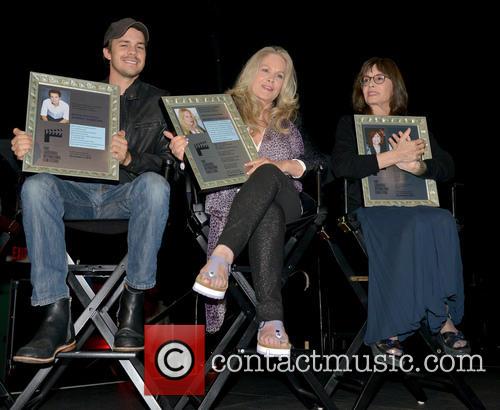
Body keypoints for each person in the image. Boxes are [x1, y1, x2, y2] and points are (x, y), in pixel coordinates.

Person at [10, 18, 173, 363]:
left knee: (156, 187)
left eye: (140, 46)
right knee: (37, 186)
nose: (133, 51)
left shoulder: (161, 103)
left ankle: (133, 301)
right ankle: (56, 317)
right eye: (124, 44)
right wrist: (29, 150)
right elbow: (49, 153)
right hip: (78, 196)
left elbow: (167, 165)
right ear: (106, 52)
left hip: (128, 198)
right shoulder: (75, 97)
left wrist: (130, 157)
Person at [167, 46, 316, 357]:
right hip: (243, 211)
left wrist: (283, 166)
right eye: (265, 71)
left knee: (266, 172)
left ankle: (220, 258)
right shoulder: (219, 112)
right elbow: (199, 165)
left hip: (289, 202)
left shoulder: (289, 121)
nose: (271, 80)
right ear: (251, 72)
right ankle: (272, 319)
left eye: (280, 75)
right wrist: (183, 155)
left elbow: (318, 161)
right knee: (267, 214)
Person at [331, 57, 469, 363]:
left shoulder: (415, 126)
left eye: (379, 79)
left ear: (396, 85)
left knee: (442, 219)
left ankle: (443, 316)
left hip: (414, 207)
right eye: (365, 80)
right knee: (413, 225)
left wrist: (418, 166)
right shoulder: (349, 125)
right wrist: (393, 156)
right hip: (371, 209)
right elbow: (341, 166)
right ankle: (391, 328)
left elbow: (447, 166)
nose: (370, 85)